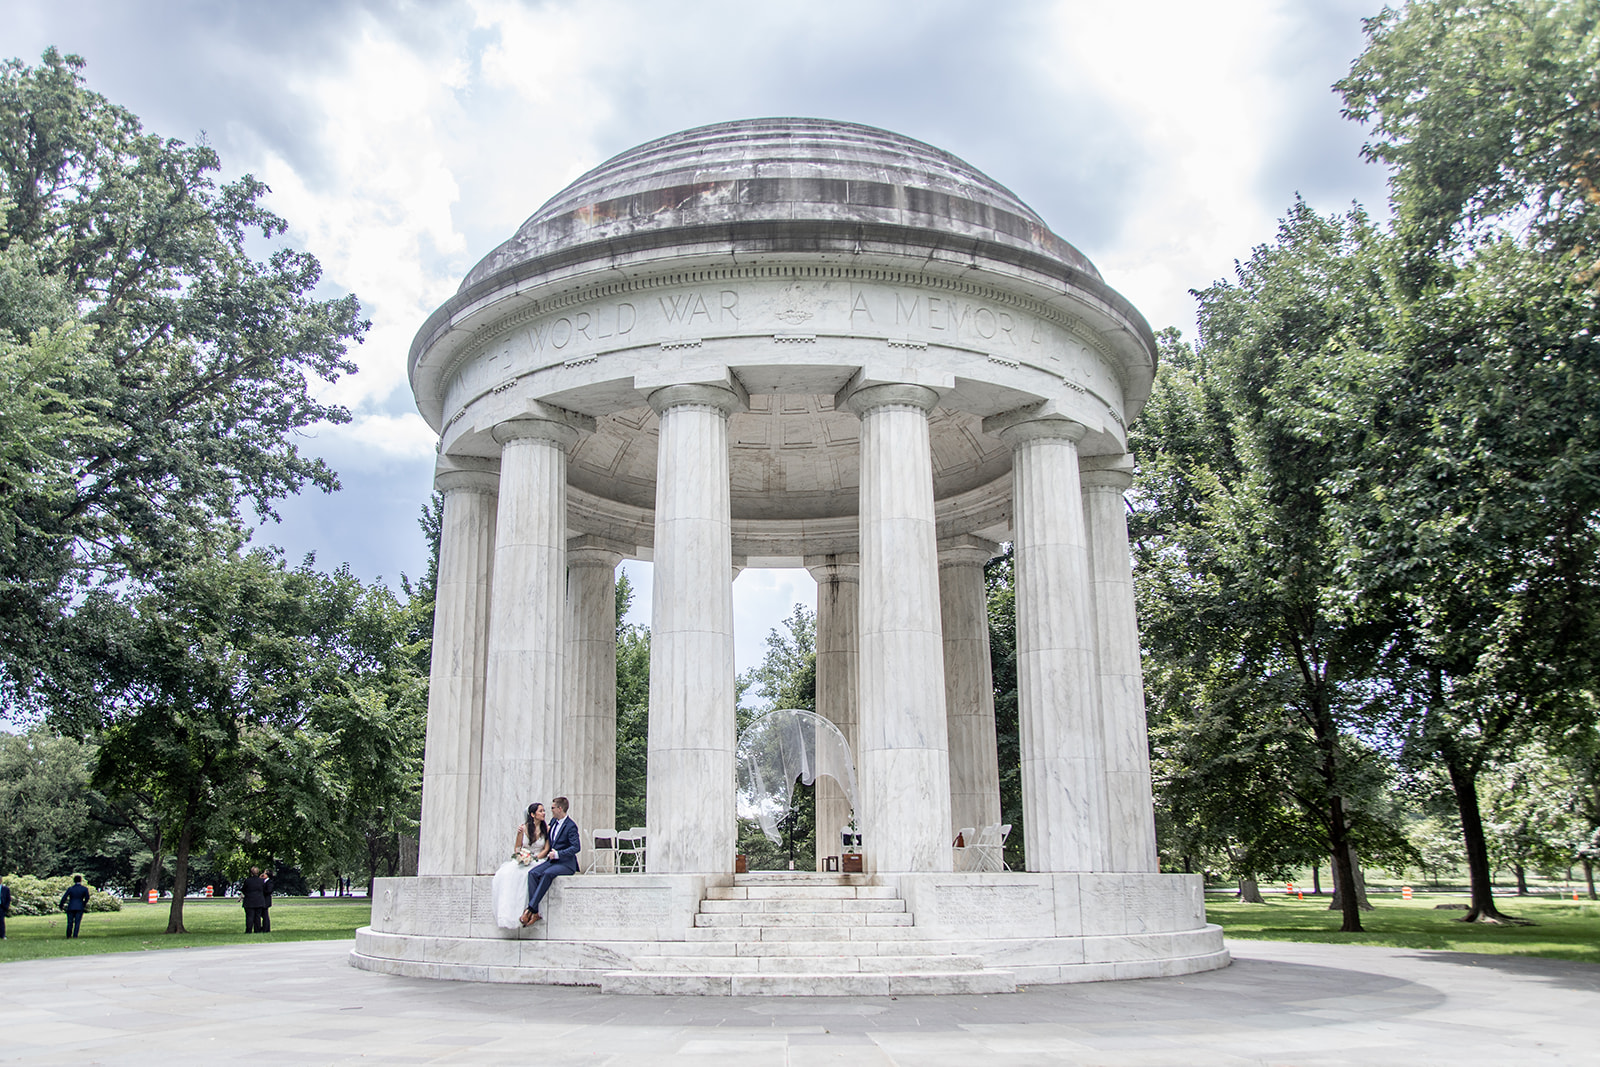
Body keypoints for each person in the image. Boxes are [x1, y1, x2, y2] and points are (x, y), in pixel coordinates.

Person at [522, 796, 580, 926]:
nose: (551, 810)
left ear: (560, 808)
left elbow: (576, 847)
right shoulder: (553, 822)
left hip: (566, 864)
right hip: (552, 861)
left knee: (547, 874)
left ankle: (529, 909)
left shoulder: (571, 826)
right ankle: (535, 912)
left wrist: (559, 854)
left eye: (553, 808)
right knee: (532, 874)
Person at [492, 802, 548, 929]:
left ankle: (531, 911)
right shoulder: (523, 828)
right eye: (541, 811)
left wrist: (535, 858)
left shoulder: (546, 829)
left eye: (544, 811)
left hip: (538, 859)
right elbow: (517, 847)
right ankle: (511, 912)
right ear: (533, 814)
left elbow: (546, 848)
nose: (544, 813)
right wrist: (521, 856)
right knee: (507, 874)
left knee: (528, 875)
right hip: (525, 858)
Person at [241, 867, 268, 933]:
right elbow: (264, 890)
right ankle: (257, 930)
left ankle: (249, 930)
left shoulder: (247, 881)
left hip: (249, 901)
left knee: (249, 917)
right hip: (259, 900)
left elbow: (244, 889)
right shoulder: (261, 881)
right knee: (257, 917)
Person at [260, 869, 274, 933]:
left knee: (265, 915)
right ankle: (263, 927)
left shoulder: (269, 882)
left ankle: (266, 928)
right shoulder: (263, 881)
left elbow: (269, 891)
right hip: (262, 900)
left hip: (266, 901)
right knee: (263, 915)